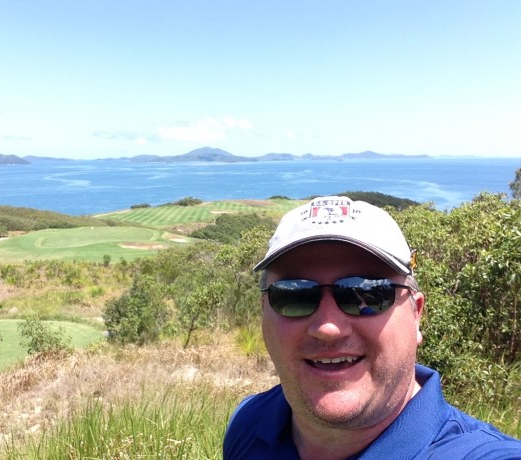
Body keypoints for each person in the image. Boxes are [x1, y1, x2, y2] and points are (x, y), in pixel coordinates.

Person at [223, 196, 521, 459]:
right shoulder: (248, 422)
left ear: (416, 314)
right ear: (265, 314)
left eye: (368, 294)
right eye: (295, 295)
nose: (328, 327)